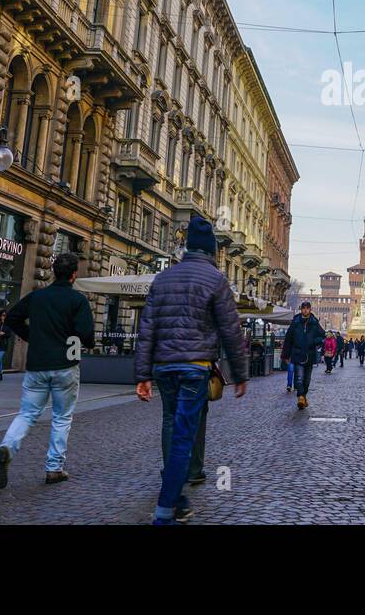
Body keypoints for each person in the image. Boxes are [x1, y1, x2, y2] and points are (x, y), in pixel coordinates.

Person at [135, 215, 248, 524]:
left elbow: (147, 329)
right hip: (195, 368)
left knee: (171, 427)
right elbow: (231, 330)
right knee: (184, 435)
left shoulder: (163, 278)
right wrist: (239, 373)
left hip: (163, 368)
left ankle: (179, 499)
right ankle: (163, 511)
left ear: (186, 248)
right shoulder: (216, 280)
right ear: (211, 251)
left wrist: (143, 375)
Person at [0, 252, 95, 489]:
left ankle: (7, 446)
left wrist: (32, 337)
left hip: (37, 365)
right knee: (62, 417)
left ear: (53, 272)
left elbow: (13, 318)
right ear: (74, 274)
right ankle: (54, 468)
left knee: (27, 413)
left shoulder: (37, 297)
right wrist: (80, 343)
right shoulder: (77, 301)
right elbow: (87, 335)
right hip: (66, 365)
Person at [281, 301, 326, 409]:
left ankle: (304, 396)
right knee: (299, 377)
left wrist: (314, 341)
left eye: (307, 308)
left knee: (307, 380)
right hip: (297, 353)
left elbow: (322, 336)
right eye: (303, 308)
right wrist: (285, 355)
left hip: (309, 354)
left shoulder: (314, 322)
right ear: (301, 309)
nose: (305, 310)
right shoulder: (295, 322)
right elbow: (288, 339)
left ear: (310, 309)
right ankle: (300, 397)